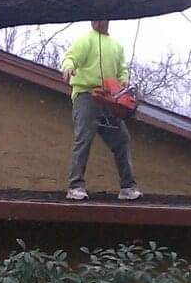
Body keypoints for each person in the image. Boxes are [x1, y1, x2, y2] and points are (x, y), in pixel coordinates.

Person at [60, 20, 142, 201]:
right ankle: (75, 186)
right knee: (84, 138)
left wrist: (123, 80)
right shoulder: (86, 39)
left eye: (100, 18)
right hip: (87, 95)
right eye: (94, 18)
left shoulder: (116, 46)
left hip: (110, 98)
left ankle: (127, 187)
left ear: (107, 20)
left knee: (121, 139)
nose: (96, 22)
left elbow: (122, 69)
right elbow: (71, 57)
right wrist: (68, 67)